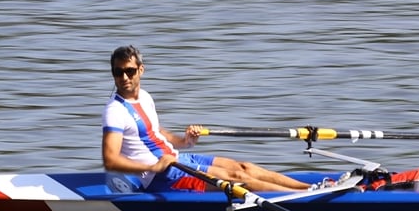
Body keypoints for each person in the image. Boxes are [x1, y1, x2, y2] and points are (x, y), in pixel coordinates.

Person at [102, 45, 314, 193]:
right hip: (162, 178)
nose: (124, 78)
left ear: (141, 70)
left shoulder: (145, 97)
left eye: (129, 71)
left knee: (243, 168)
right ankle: (306, 199)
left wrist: (184, 141)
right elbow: (110, 160)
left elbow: (156, 132)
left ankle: (310, 188)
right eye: (118, 72)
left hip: (178, 160)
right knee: (239, 180)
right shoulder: (115, 110)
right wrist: (155, 167)